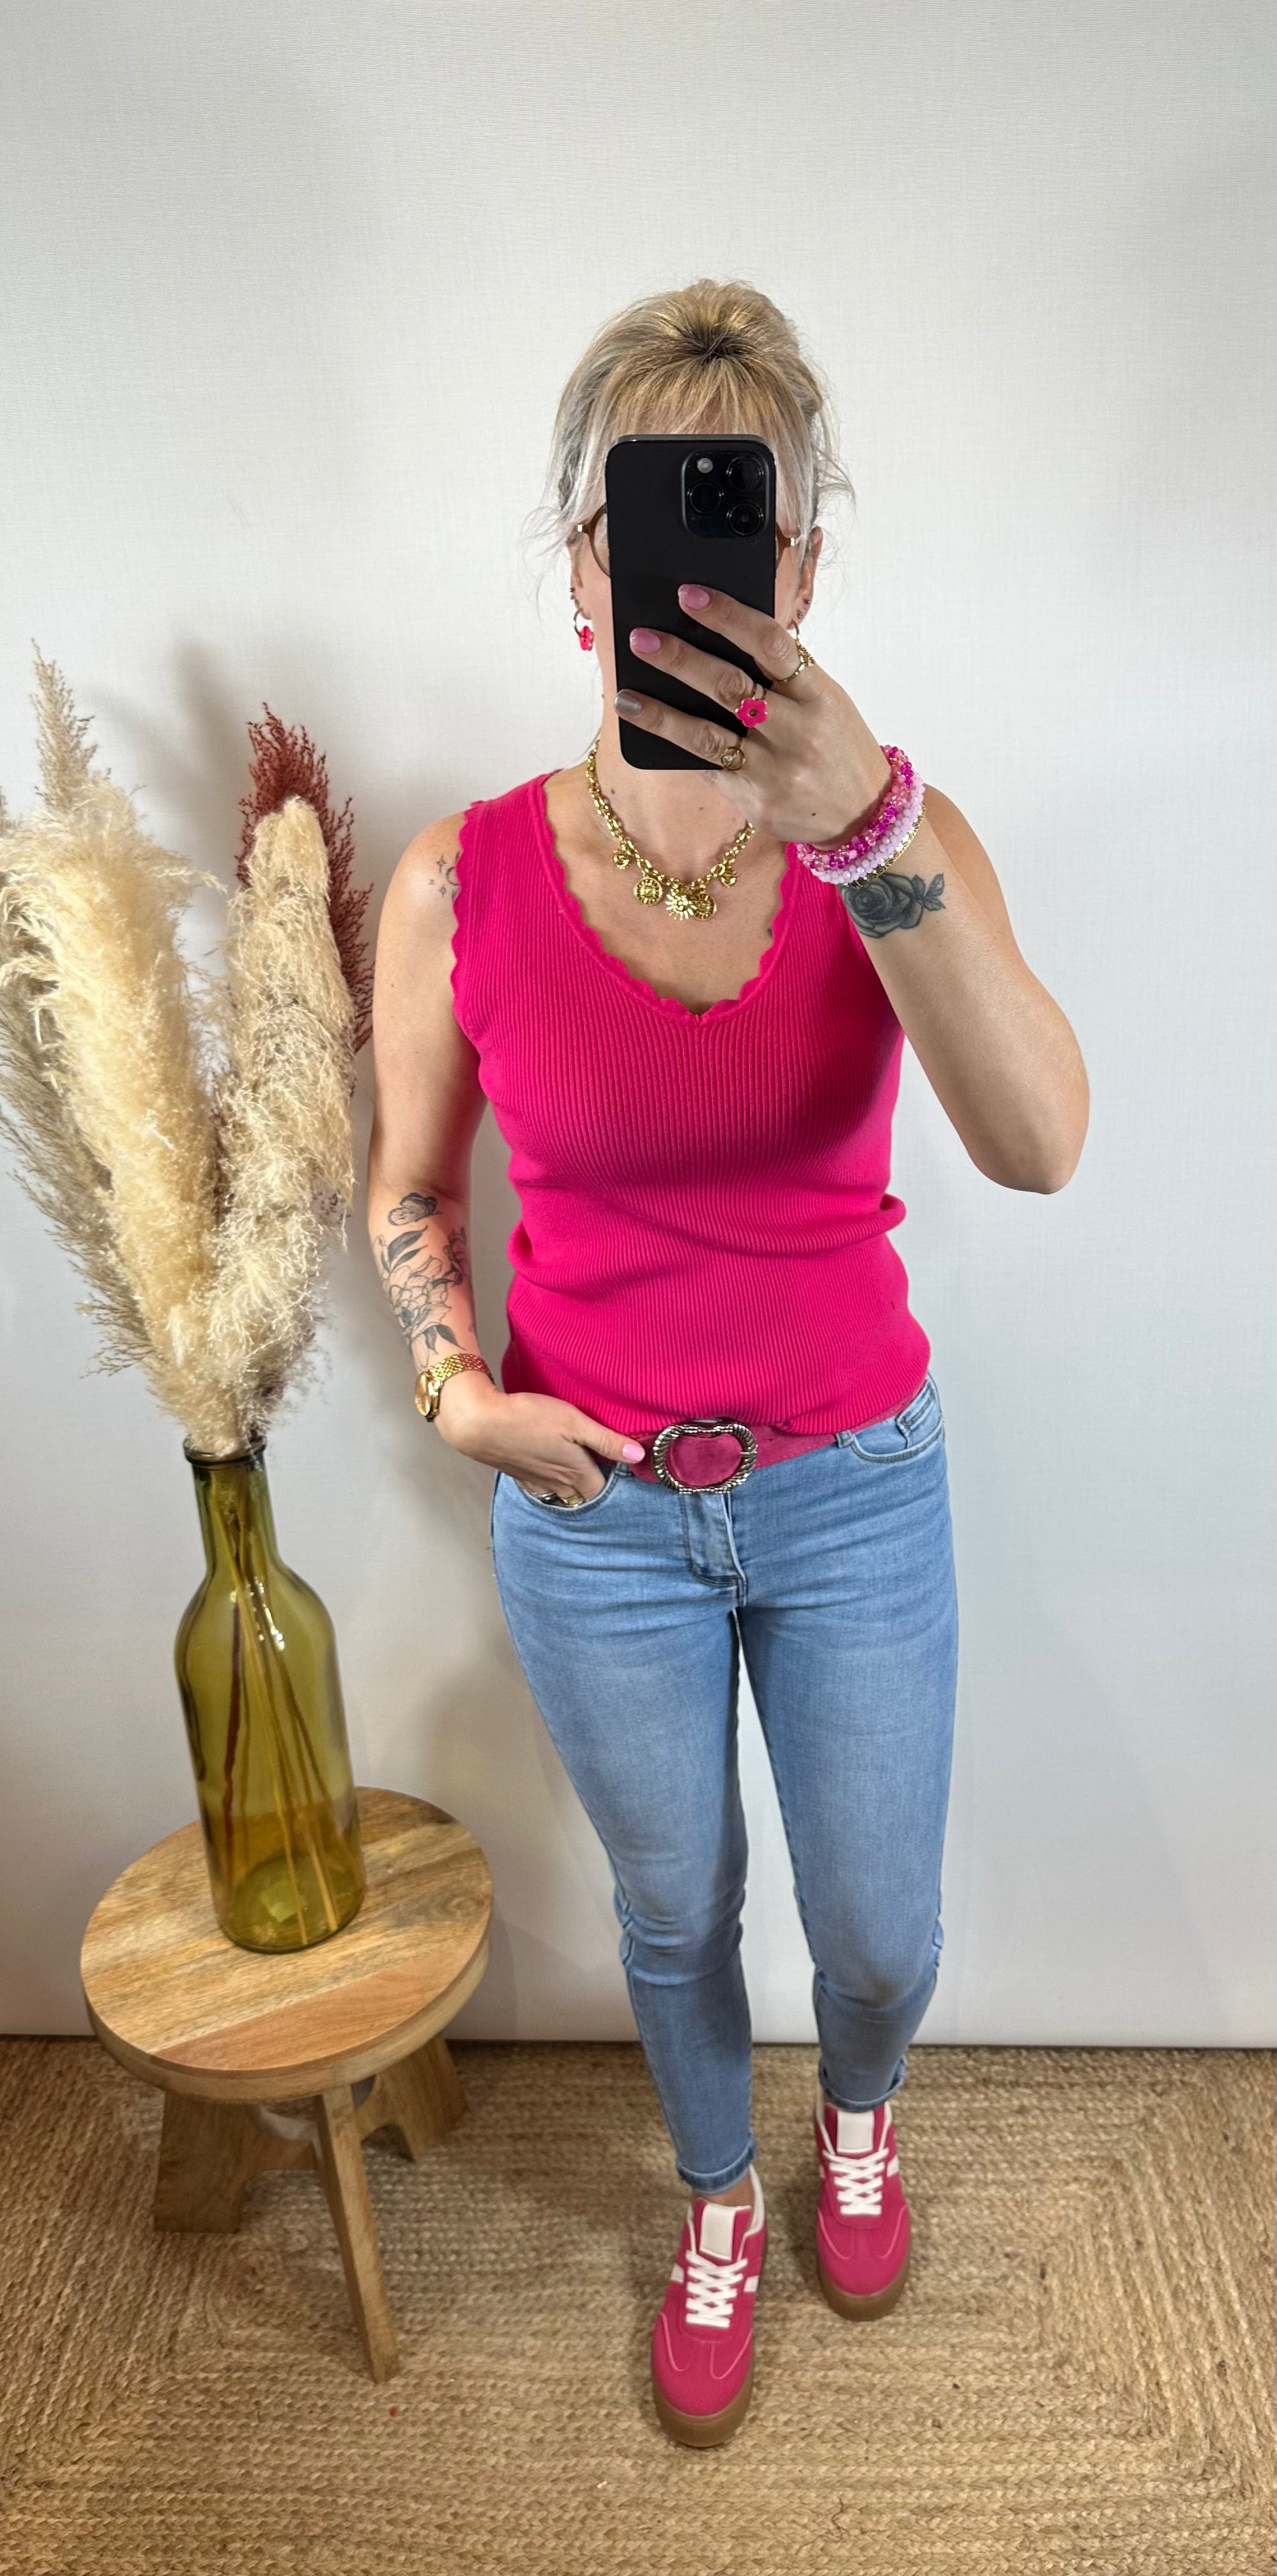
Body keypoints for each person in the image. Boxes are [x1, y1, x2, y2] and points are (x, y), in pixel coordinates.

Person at [366, 279, 1089, 2448]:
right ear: (585, 569)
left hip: (855, 1485)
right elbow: (408, 1191)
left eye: (739, 528)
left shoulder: (897, 846)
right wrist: (455, 1390)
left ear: (801, 570)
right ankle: (714, 2196)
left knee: (879, 1930)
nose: (687, 574)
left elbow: (1042, 1144)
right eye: (644, 526)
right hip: (595, 1511)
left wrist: (864, 824)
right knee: (675, 1911)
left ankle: (857, 2109)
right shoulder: (457, 880)